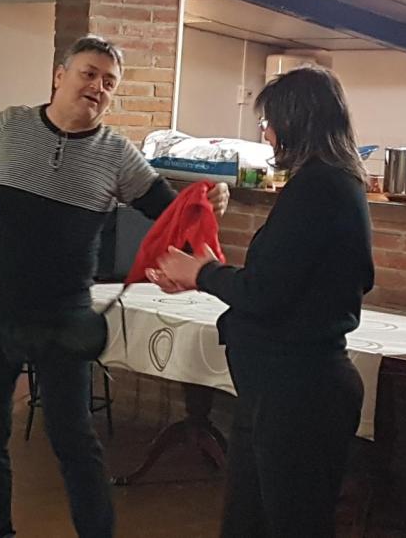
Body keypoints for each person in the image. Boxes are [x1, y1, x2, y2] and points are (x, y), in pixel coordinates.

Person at [0, 35, 228, 538]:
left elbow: (175, 214)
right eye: (89, 73)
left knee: (75, 442)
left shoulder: (118, 156)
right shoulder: (10, 126)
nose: (98, 87)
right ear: (60, 76)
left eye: (109, 82)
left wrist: (209, 202)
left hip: (64, 320)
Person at [150, 66, 373, 537]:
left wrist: (203, 273)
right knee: (247, 523)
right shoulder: (333, 183)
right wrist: (205, 275)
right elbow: (287, 281)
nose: (267, 134)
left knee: (291, 525)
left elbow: (266, 292)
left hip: (297, 393)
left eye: (269, 121)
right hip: (278, 390)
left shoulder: (321, 188)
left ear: (296, 121)